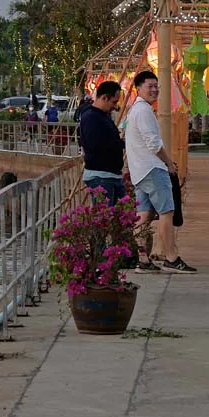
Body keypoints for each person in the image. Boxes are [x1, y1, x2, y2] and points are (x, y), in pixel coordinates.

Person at [125, 70, 196, 274]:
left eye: (156, 86)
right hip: (152, 168)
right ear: (138, 88)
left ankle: (143, 260)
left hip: (139, 171)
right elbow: (154, 144)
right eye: (150, 86)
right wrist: (169, 164)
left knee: (143, 214)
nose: (155, 90)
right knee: (167, 212)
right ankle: (171, 258)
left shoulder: (135, 111)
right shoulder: (144, 111)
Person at [78, 81, 127, 206]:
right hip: (101, 176)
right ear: (104, 97)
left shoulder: (103, 116)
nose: (115, 106)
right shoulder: (91, 117)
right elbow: (93, 145)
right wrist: (118, 144)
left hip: (110, 175)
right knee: (105, 220)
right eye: (114, 102)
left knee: (121, 216)